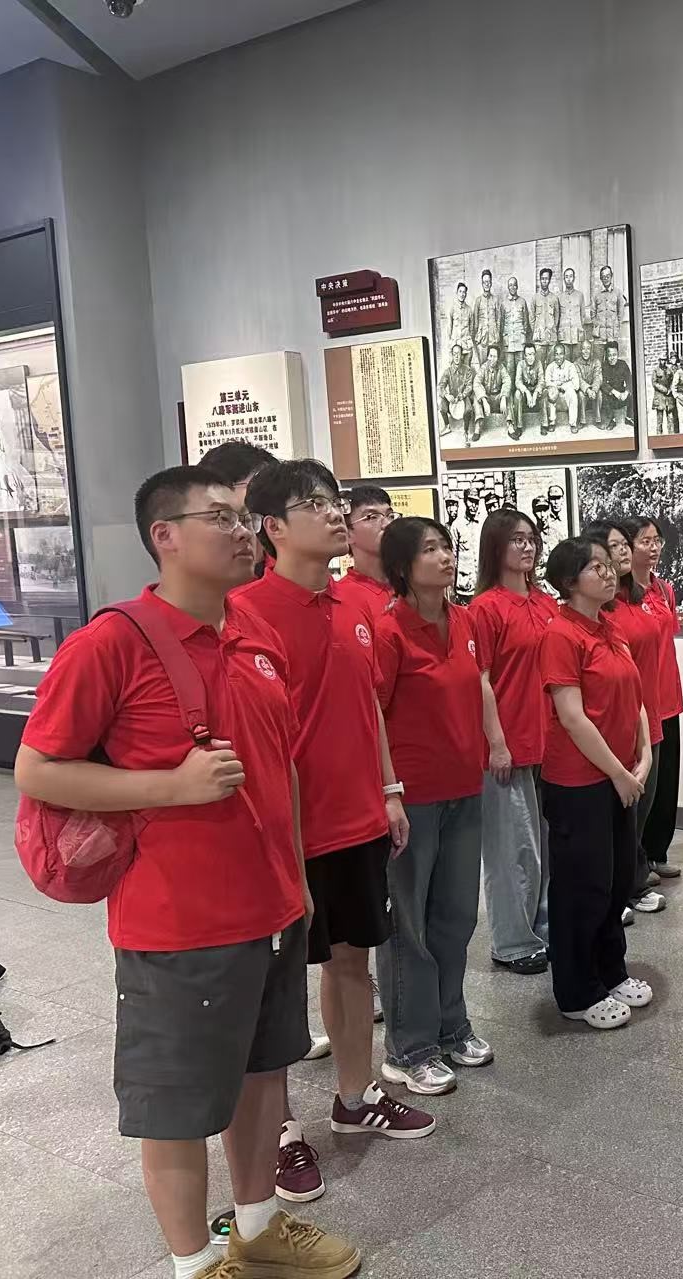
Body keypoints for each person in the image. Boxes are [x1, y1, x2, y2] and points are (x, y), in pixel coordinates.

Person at [13, 465, 362, 1279]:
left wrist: (297, 877)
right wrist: (170, 787)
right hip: (177, 923)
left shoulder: (253, 632)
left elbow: (282, 766)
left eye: (244, 517)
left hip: (273, 907)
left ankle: (258, 1224)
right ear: (164, 536)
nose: (244, 532)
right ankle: (194, 1261)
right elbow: (37, 768)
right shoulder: (111, 643)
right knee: (174, 1103)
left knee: (263, 1073)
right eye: (223, 518)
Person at [240, 461, 434, 1176]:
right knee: (274, 984)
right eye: (312, 504)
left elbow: (369, 708)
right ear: (273, 527)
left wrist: (389, 789)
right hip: (287, 830)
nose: (332, 514)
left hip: (356, 820)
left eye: (334, 502)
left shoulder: (356, 605)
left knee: (352, 962)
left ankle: (356, 1095)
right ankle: (278, 1130)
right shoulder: (246, 612)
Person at [373, 516, 494, 1097]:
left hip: (463, 788)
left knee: (456, 916)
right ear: (402, 566)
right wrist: (389, 791)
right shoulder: (388, 630)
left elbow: (477, 687)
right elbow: (372, 715)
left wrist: (493, 745)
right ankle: (409, 1047)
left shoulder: (464, 619)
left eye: (446, 546)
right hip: (413, 796)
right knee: (409, 927)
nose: (445, 556)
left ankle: (452, 1024)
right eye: (430, 549)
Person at [537, 536, 653, 1030]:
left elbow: (635, 695)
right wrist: (619, 773)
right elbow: (572, 717)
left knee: (615, 880)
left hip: (619, 775)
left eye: (608, 565)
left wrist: (644, 754)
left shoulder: (610, 626)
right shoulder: (561, 634)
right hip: (579, 781)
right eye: (595, 567)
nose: (608, 573)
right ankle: (576, 990)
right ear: (569, 581)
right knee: (581, 888)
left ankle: (610, 970)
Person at [469, 510, 558, 974]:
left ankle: (542, 927)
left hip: (550, 742)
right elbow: (480, 680)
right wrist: (497, 743)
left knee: (544, 848)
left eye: (531, 539)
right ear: (495, 547)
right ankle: (512, 942)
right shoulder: (485, 608)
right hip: (508, 745)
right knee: (512, 852)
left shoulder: (545, 602)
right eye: (516, 539)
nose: (527, 547)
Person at [583, 522, 666, 916]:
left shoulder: (636, 598)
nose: (622, 553)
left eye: (622, 545)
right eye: (612, 547)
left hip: (647, 712)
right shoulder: (598, 614)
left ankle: (632, 880)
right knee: (616, 814)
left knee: (640, 807)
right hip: (611, 722)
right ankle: (620, 889)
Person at [626, 517, 683, 881]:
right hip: (641, 701)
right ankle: (636, 860)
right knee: (643, 781)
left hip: (668, 697)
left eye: (656, 540)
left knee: (666, 781)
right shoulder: (620, 596)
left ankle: (657, 851)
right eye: (645, 541)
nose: (654, 547)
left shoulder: (664, 590)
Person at [340, 484, 397, 614]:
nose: (387, 524)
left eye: (390, 515)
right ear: (347, 534)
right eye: (372, 517)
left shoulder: (412, 586)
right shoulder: (343, 596)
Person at [438, 345, 477, 440]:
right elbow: (441, 386)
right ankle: (447, 426)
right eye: (454, 354)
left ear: (462, 356)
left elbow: (469, 386)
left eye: (458, 354)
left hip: (463, 396)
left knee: (468, 409)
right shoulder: (448, 371)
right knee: (442, 406)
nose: (456, 356)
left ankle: (465, 431)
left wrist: (462, 396)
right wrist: (447, 395)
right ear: (452, 355)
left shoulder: (467, 370)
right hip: (452, 398)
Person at [500, 276, 532, 391]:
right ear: (508, 287)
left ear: (517, 286)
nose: (512, 287)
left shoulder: (522, 302)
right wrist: (504, 339)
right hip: (508, 343)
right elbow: (501, 323)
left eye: (514, 285)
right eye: (510, 285)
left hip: (520, 342)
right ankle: (510, 396)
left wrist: (523, 337)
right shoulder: (503, 303)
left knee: (521, 370)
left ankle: (521, 396)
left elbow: (526, 322)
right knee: (509, 371)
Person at [589, 264, 626, 360]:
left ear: (611, 276)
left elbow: (620, 312)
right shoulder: (596, 294)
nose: (606, 279)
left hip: (612, 335)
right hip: (599, 336)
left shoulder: (618, 292)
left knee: (612, 360)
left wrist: (616, 326)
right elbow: (592, 313)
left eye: (608, 276)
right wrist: (596, 325)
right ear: (600, 278)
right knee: (598, 361)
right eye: (603, 277)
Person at [475, 342, 511, 436]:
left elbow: (507, 381)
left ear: (498, 358)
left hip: (498, 397)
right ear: (487, 356)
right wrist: (484, 400)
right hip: (487, 398)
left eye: (495, 356)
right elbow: (477, 383)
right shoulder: (483, 368)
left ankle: (510, 425)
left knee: (509, 396)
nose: (492, 359)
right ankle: (478, 426)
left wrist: (503, 397)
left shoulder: (501, 367)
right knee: (476, 398)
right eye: (490, 356)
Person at [543, 343, 580, 434]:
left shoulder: (570, 366)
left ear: (564, 354)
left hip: (566, 398)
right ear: (553, 355)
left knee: (572, 393)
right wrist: (556, 387)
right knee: (550, 391)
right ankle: (552, 422)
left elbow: (576, 384)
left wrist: (563, 386)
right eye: (556, 354)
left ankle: (573, 424)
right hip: (555, 398)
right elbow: (547, 382)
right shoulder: (550, 367)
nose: (558, 357)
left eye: (561, 354)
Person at [469, 269, 502, 362]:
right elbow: (475, 321)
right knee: (483, 364)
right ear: (482, 284)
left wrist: (497, 333)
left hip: (493, 338)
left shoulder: (495, 300)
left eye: (488, 282)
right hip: (481, 338)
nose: (486, 284)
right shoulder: (478, 300)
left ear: (491, 283)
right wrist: (477, 336)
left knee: (493, 364)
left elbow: (498, 319)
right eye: (484, 282)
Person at [512, 344, 543, 438]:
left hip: (535, 392)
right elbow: (518, 382)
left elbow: (541, 381)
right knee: (517, 394)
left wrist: (536, 392)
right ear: (524, 356)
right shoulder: (520, 364)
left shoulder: (539, 363)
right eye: (528, 355)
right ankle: (519, 426)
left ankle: (544, 424)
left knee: (544, 392)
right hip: (525, 394)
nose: (531, 357)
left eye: (533, 354)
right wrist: (526, 392)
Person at [558, 265, 587, 361]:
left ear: (574, 278)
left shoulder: (579, 295)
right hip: (564, 336)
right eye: (566, 277)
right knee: (565, 362)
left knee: (577, 361)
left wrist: (578, 328)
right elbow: (557, 316)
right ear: (564, 279)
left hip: (576, 336)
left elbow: (583, 315)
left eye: (571, 276)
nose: (568, 279)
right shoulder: (560, 297)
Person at [531, 267, 561, 353]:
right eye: (542, 279)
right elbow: (532, 318)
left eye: (546, 279)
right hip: (539, 339)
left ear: (549, 280)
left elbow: (557, 317)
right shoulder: (535, 298)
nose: (544, 281)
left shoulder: (554, 298)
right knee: (539, 360)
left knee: (551, 360)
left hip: (551, 338)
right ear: (540, 280)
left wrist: (552, 329)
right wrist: (537, 330)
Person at [602, 345, 632, 431]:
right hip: (611, 392)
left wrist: (626, 392)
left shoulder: (623, 364)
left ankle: (630, 417)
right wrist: (614, 392)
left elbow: (629, 379)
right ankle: (611, 420)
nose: (612, 358)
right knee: (603, 394)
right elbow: (603, 383)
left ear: (618, 354)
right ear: (606, 356)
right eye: (610, 355)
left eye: (614, 355)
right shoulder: (604, 366)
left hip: (621, 391)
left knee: (633, 391)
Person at [575, 343, 604, 428]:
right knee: (581, 395)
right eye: (583, 349)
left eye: (588, 348)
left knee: (599, 394)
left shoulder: (596, 362)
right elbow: (579, 379)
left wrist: (594, 390)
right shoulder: (576, 363)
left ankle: (598, 420)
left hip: (594, 389)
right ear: (580, 350)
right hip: (583, 389)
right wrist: (588, 390)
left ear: (591, 351)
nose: (586, 351)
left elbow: (598, 377)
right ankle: (582, 420)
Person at [444, 281, 474, 355]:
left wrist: (468, 338)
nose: (462, 294)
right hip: (455, 344)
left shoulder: (469, 310)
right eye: (460, 291)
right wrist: (450, 342)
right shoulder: (452, 308)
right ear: (457, 293)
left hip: (466, 345)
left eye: (464, 292)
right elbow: (449, 327)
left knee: (468, 361)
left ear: (466, 294)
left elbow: (471, 327)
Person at [649, 358, 675, 435]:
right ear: (659, 361)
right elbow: (654, 383)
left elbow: (672, 381)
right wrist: (664, 390)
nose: (663, 362)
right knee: (659, 419)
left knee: (670, 418)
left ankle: (671, 434)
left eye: (664, 360)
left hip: (668, 397)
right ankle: (659, 435)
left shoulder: (669, 370)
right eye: (662, 360)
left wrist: (670, 389)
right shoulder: (655, 371)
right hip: (659, 396)